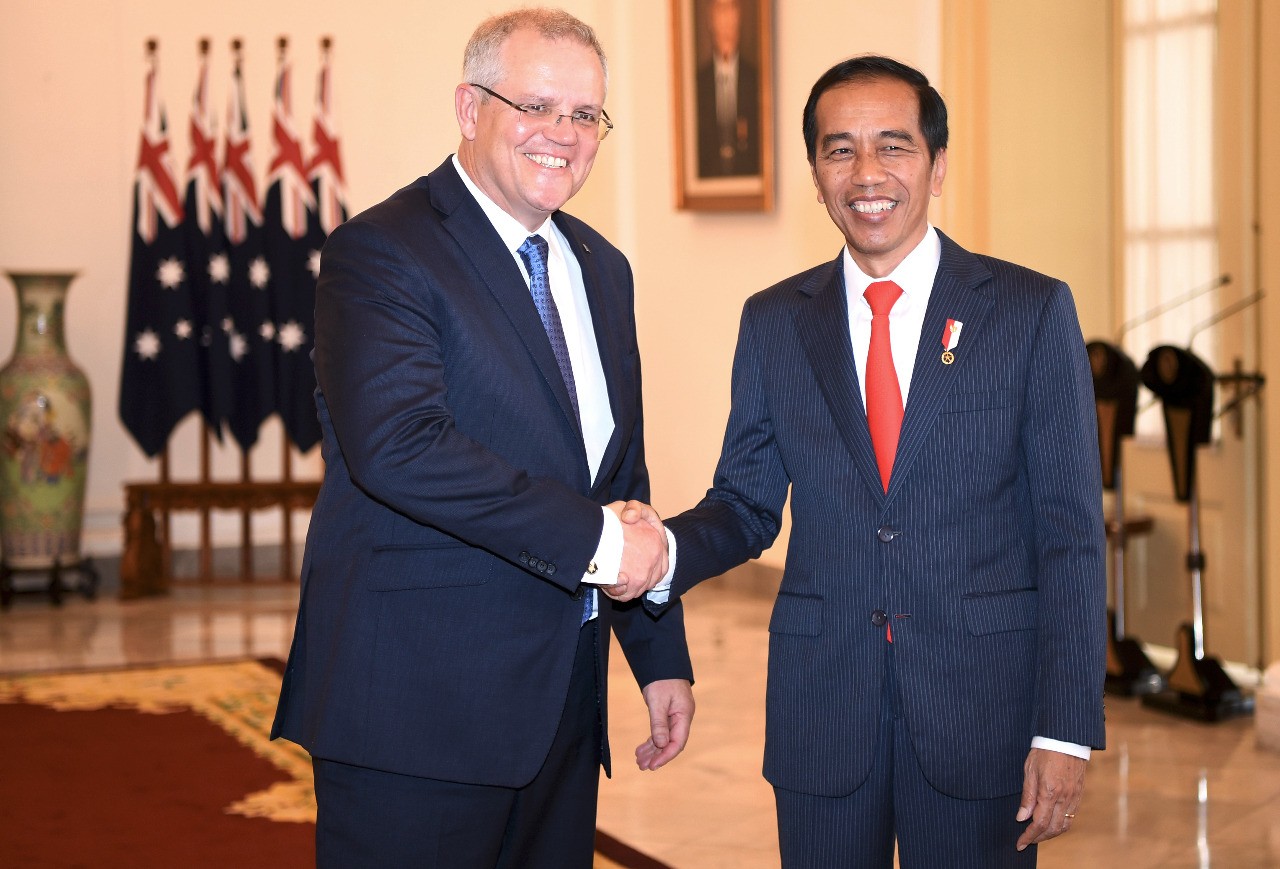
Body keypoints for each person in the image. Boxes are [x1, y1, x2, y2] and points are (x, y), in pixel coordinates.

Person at [622, 55, 1107, 867]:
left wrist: (1064, 728)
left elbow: (1071, 536)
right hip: (823, 704)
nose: (867, 173)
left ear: (938, 165)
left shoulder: (1029, 311)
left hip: (980, 708)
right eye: (839, 149)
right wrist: (663, 548)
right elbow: (745, 503)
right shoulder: (776, 321)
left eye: (895, 145)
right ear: (815, 174)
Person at [270, 9, 695, 868]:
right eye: (536, 106)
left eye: (584, 115)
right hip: (416, 715)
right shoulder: (382, 251)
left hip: (559, 712)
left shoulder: (601, 268)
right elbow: (402, 447)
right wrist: (608, 545)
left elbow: (619, 472)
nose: (562, 136)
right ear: (469, 108)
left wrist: (658, 651)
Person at [695, 0, 761, 177]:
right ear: (710, 19)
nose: (727, 20)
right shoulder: (697, 83)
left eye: (732, 9)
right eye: (721, 10)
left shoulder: (756, 79)